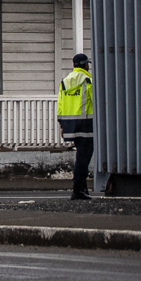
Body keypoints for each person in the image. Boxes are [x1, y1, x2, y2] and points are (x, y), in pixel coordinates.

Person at [57, 53, 94, 200]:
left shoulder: (65, 81)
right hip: (86, 123)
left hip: (70, 124)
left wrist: (61, 124)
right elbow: (95, 101)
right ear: (86, 65)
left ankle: (82, 188)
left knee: (81, 156)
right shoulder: (88, 81)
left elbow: (60, 105)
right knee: (84, 158)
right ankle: (77, 189)